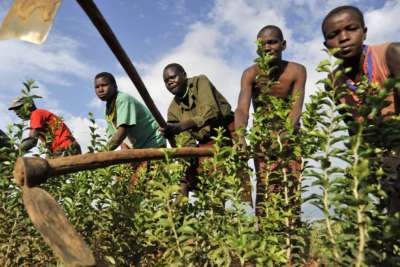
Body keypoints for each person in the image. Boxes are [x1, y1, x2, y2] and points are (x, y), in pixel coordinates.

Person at [322, 5, 400, 212]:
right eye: (334, 35)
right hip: (375, 153)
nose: (344, 38)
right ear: (326, 44)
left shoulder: (391, 54)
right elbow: (352, 126)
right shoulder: (334, 83)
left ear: (364, 32)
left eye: (351, 29)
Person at [235, 25, 306, 216]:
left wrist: (283, 138)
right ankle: (263, 234)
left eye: (272, 42)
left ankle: (291, 236)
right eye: (262, 44)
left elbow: (295, 109)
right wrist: (241, 138)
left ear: (283, 45)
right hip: (263, 137)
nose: (267, 47)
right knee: (264, 185)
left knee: (290, 185)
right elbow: (242, 109)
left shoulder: (297, 71)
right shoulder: (250, 74)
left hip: (290, 136)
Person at [159, 63, 244, 197]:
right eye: (166, 81)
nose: (170, 82)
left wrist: (180, 127)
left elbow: (211, 112)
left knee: (235, 181)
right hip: (203, 143)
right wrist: (187, 160)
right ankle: (180, 215)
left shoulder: (200, 82)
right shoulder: (173, 110)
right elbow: (185, 140)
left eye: (173, 77)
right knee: (187, 181)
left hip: (225, 134)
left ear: (184, 75)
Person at [94, 72, 166, 185]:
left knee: (143, 185)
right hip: (137, 149)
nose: (100, 90)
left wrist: (100, 154)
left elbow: (121, 133)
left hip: (153, 144)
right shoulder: (109, 110)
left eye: (104, 85)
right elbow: (120, 141)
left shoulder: (123, 99)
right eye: (97, 87)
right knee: (122, 184)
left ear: (115, 86)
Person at [8, 96, 81, 156]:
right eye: (15, 111)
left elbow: (32, 140)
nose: (17, 113)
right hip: (65, 148)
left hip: (66, 147)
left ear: (29, 104)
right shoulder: (40, 114)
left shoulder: (36, 113)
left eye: (18, 108)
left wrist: (15, 153)